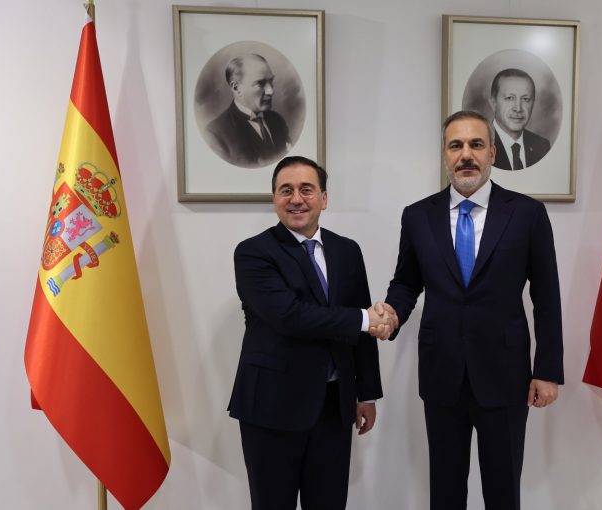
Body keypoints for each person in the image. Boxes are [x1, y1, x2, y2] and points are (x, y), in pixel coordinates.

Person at [383, 111, 563, 510]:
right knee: (446, 493)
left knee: (503, 492)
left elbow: (547, 298)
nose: (466, 154)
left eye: (476, 145)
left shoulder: (527, 214)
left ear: (492, 154)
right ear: (445, 155)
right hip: (442, 373)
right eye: (456, 145)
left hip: (506, 375)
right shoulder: (418, 215)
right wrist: (393, 313)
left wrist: (547, 370)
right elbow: (407, 282)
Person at [229, 156, 391, 510]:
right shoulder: (253, 253)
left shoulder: (347, 251)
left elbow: (359, 328)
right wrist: (366, 319)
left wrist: (367, 393)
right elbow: (290, 316)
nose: (296, 199)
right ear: (274, 198)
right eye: (286, 190)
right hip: (271, 408)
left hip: (333, 407)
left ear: (324, 198)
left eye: (306, 189)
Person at [206, 54, 291, 167]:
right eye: (260, 83)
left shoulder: (277, 120)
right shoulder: (215, 134)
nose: (270, 91)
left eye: (271, 81)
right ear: (236, 88)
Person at [489, 68, 551, 170]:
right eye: (510, 98)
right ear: (493, 103)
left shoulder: (542, 146)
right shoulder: (481, 145)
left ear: (533, 104)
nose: (518, 108)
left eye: (525, 99)